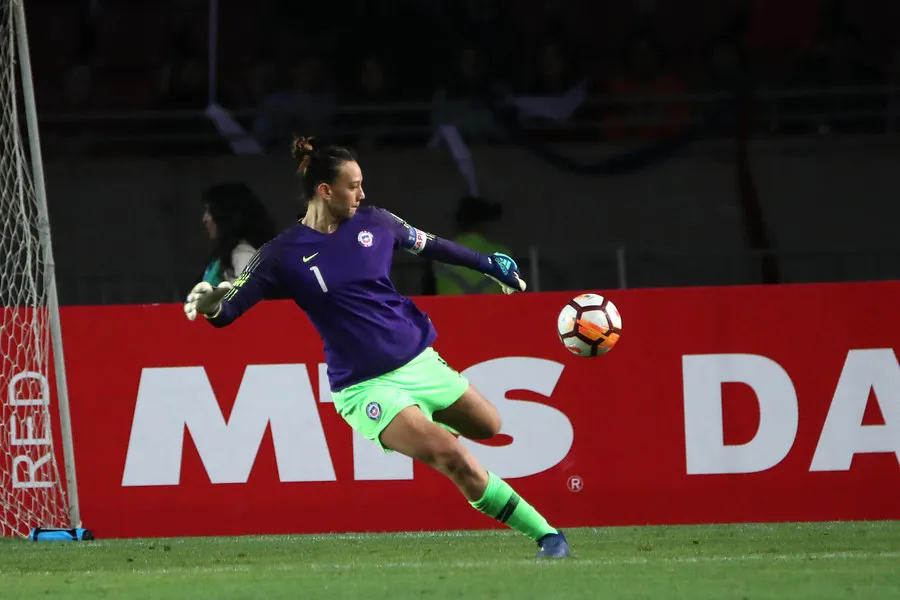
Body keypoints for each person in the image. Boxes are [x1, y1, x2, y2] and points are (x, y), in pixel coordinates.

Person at [183, 137, 571, 559]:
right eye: (353, 186)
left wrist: (488, 263)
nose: (362, 194)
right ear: (325, 191)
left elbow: (432, 244)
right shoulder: (281, 254)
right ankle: (549, 537)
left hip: (420, 361)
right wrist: (211, 305)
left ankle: (428, 421)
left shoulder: (378, 223)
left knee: (490, 426)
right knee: (454, 457)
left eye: (362, 184)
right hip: (366, 388)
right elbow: (229, 309)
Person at [432, 195, 514, 295]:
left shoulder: (438, 252)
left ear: (457, 222)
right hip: (491, 310)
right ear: (484, 223)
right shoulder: (504, 255)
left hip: (450, 310)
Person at [198, 182, 277, 286]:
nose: (204, 219)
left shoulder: (244, 255)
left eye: (209, 211)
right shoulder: (223, 256)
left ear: (226, 215)